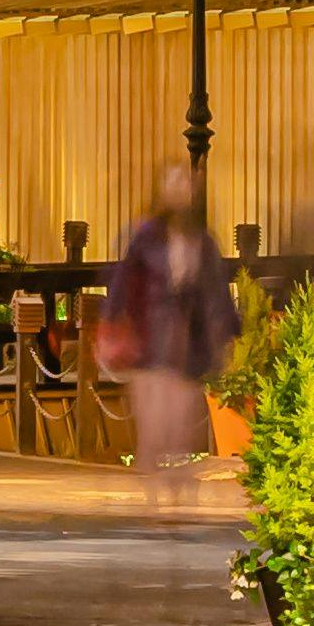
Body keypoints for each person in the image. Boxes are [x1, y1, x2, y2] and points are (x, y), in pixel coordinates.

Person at [102, 166, 241, 503]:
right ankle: (153, 497)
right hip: (149, 341)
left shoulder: (202, 240)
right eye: (174, 184)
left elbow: (215, 289)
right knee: (153, 425)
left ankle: (180, 495)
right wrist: (110, 320)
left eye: (186, 185)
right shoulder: (145, 236)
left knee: (181, 425)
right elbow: (122, 281)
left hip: (187, 343)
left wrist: (230, 329)